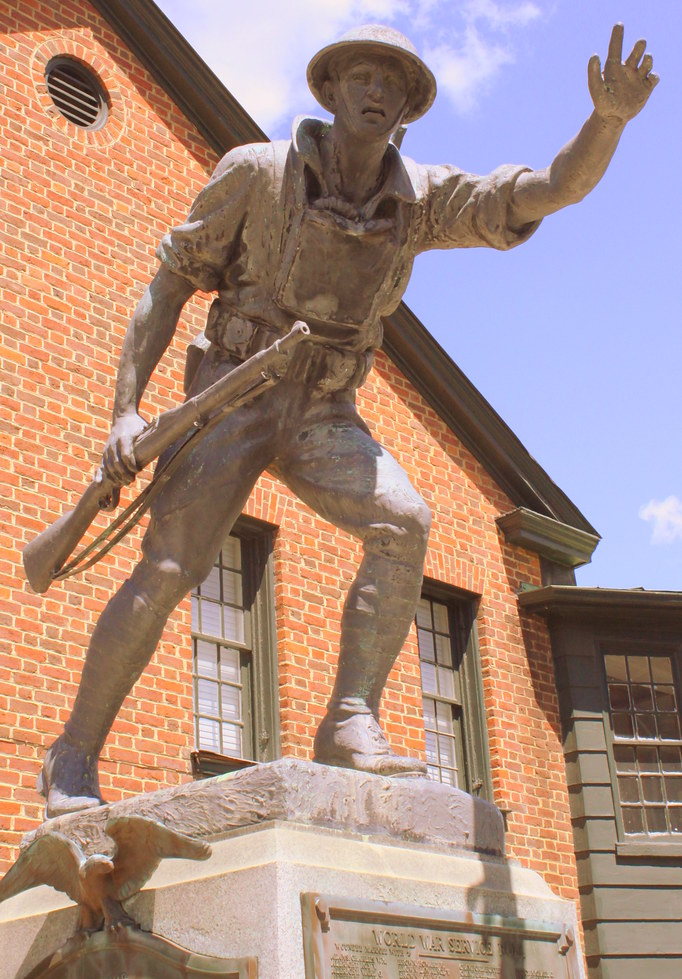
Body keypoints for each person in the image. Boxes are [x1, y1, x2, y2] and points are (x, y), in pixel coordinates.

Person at [38, 23, 657, 817]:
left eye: (392, 84)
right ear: (329, 91)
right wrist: (125, 411)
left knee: (405, 520)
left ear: (406, 111)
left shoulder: (421, 200)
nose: (376, 91)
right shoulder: (256, 174)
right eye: (361, 76)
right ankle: (73, 755)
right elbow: (166, 288)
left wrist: (606, 122)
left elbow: (543, 191)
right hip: (229, 390)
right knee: (166, 571)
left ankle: (348, 717)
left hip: (323, 407)